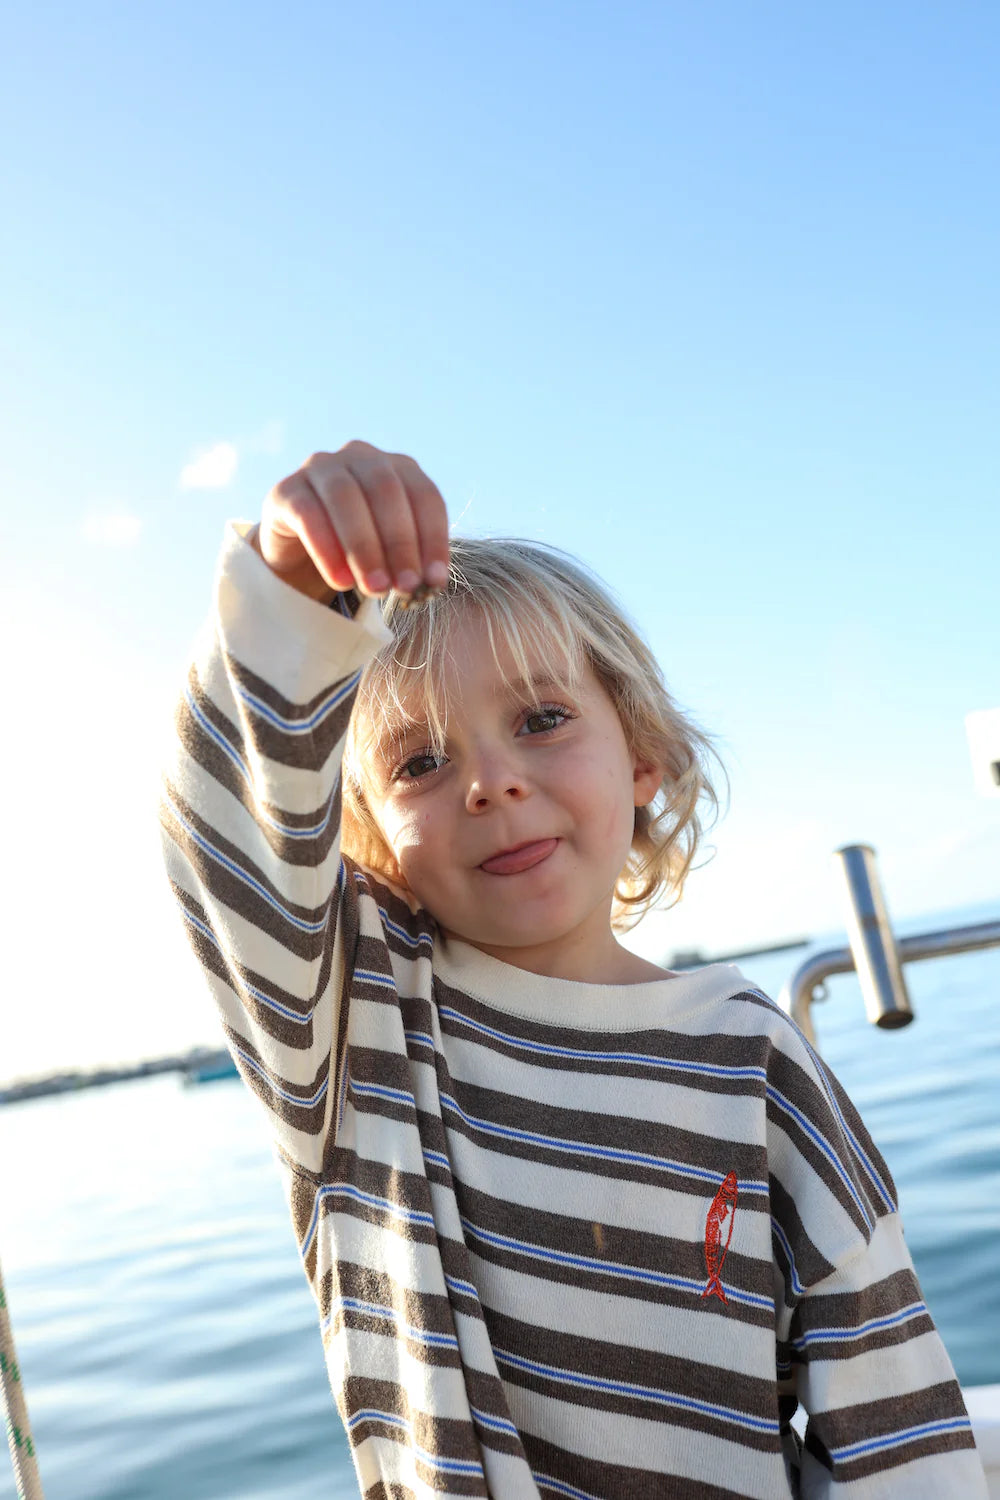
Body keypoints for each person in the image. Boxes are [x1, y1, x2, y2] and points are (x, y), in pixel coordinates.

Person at [160, 440, 987, 1498]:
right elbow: (226, 829)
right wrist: (289, 585)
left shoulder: (754, 1058)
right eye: (420, 762)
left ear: (640, 753)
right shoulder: (356, 1026)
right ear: (366, 836)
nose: (491, 784)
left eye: (542, 720)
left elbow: (890, 1414)